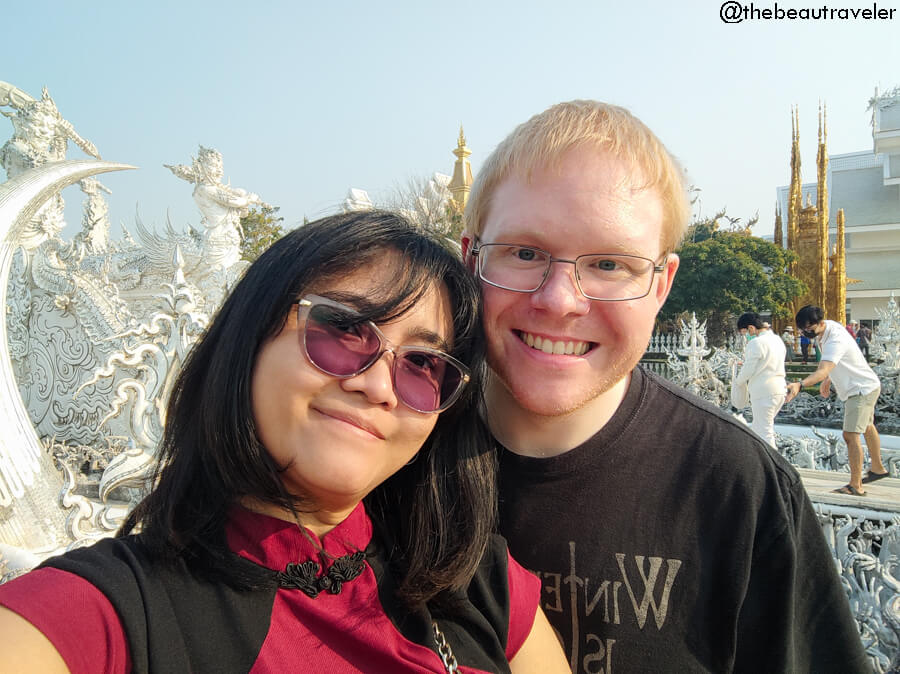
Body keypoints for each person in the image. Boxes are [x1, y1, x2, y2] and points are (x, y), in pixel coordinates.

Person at [0, 211, 568, 674]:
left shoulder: (478, 586)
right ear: (249, 338)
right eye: (342, 329)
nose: (376, 386)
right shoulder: (111, 615)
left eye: (422, 363)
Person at [461, 100, 868, 672]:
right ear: (469, 256)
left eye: (609, 264)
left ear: (661, 285)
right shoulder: (393, 456)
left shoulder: (739, 489)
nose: (558, 300)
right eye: (525, 253)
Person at [786, 305, 888, 496]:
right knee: (866, 425)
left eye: (809, 329)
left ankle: (855, 486)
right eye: (803, 330)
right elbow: (836, 363)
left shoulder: (835, 338)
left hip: (860, 389)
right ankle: (877, 468)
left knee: (850, 435)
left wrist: (800, 384)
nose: (806, 333)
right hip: (863, 385)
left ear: (820, 323)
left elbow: (823, 368)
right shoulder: (827, 330)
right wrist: (829, 379)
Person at [732, 312, 787, 448]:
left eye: (745, 333)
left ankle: (773, 467)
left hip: (764, 392)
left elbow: (748, 370)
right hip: (780, 389)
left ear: (751, 328)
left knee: (764, 431)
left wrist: (737, 381)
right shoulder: (777, 340)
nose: (746, 337)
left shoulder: (756, 343)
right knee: (761, 428)